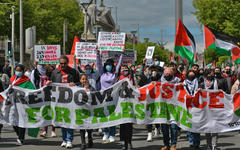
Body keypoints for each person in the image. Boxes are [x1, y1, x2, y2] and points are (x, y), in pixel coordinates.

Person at [47, 55, 80, 148]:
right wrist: (48, 83)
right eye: (61, 63)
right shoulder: (54, 72)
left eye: (65, 63)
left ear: (67, 63)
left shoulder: (73, 72)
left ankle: (69, 139)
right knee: (62, 120)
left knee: (69, 119)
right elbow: (52, 84)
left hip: (70, 100)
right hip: (59, 100)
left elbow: (79, 83)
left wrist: (75, 84)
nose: (63, 65)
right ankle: (64, 139)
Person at [96, 48, 123, 143]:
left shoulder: (114, 75)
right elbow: (98, 63)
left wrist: (122, 55)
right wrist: (97, 54)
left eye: (110, 65)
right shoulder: (102, 74)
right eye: (107, 65)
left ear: (112, 66)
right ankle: (105, 133)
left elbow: (119, 65)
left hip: (112, 98)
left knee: (112, 117)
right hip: (103, 98)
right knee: (104, 116)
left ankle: (112, 134)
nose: (108, 66)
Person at [10, 64, 35, 145]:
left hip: (22, 104)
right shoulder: (12, 79)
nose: (17, 72)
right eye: (16, 70)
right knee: (12, 120)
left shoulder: (27, 81)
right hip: (13, 103)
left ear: (23, 71)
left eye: (19, 71)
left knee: (22, 120)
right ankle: (19, 134)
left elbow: (32, 91)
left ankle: (21, 138)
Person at [31, 64, 56, 138]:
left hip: (52, 95)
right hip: (43, 96)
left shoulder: (54, 75)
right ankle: (45, 131)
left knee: (53, 112)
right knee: (45, 113)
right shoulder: (39, 75)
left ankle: (53, 131)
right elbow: (34, 79)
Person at [160, 67, 180, 150]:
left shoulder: (178, 82)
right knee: (164, 128)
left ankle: (173, 144)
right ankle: (166, 144)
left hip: (174, 108)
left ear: (172, 74)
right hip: (163, 108)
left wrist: (181, 86)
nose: (167, 75)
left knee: (173, 128)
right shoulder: (160, 82)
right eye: (166, 74)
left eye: (169, 74)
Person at [76, 74, 94, 150]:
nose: (84, 80)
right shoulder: (77, 87)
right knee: (81, 127)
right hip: (81, 110)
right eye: (82, 79)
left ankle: (90, 139)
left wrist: (89, 91)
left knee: (89, 127)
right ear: (80, 80)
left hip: (89, 110)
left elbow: (94, 95)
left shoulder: (91, 87)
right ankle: (83, 142)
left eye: (85, 79)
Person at [118, 65, 134, 150]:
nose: (124, 71)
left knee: (129, 124)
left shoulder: (131, 78)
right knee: (123, 124)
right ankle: (125, 143)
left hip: (130, 104)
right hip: (121, 104)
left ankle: (129, 142)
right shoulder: (118, 78)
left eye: (126, 69)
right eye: (123, 69)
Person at [184, 70, 200, 150]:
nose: (191, 75)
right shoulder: (184, 83)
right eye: (190, 74)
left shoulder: (199, 82)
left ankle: (197, 143)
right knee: (189, 125)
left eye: (193, 74)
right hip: (188, 106)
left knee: (197, 124)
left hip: (197, 106)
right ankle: (191, 142)